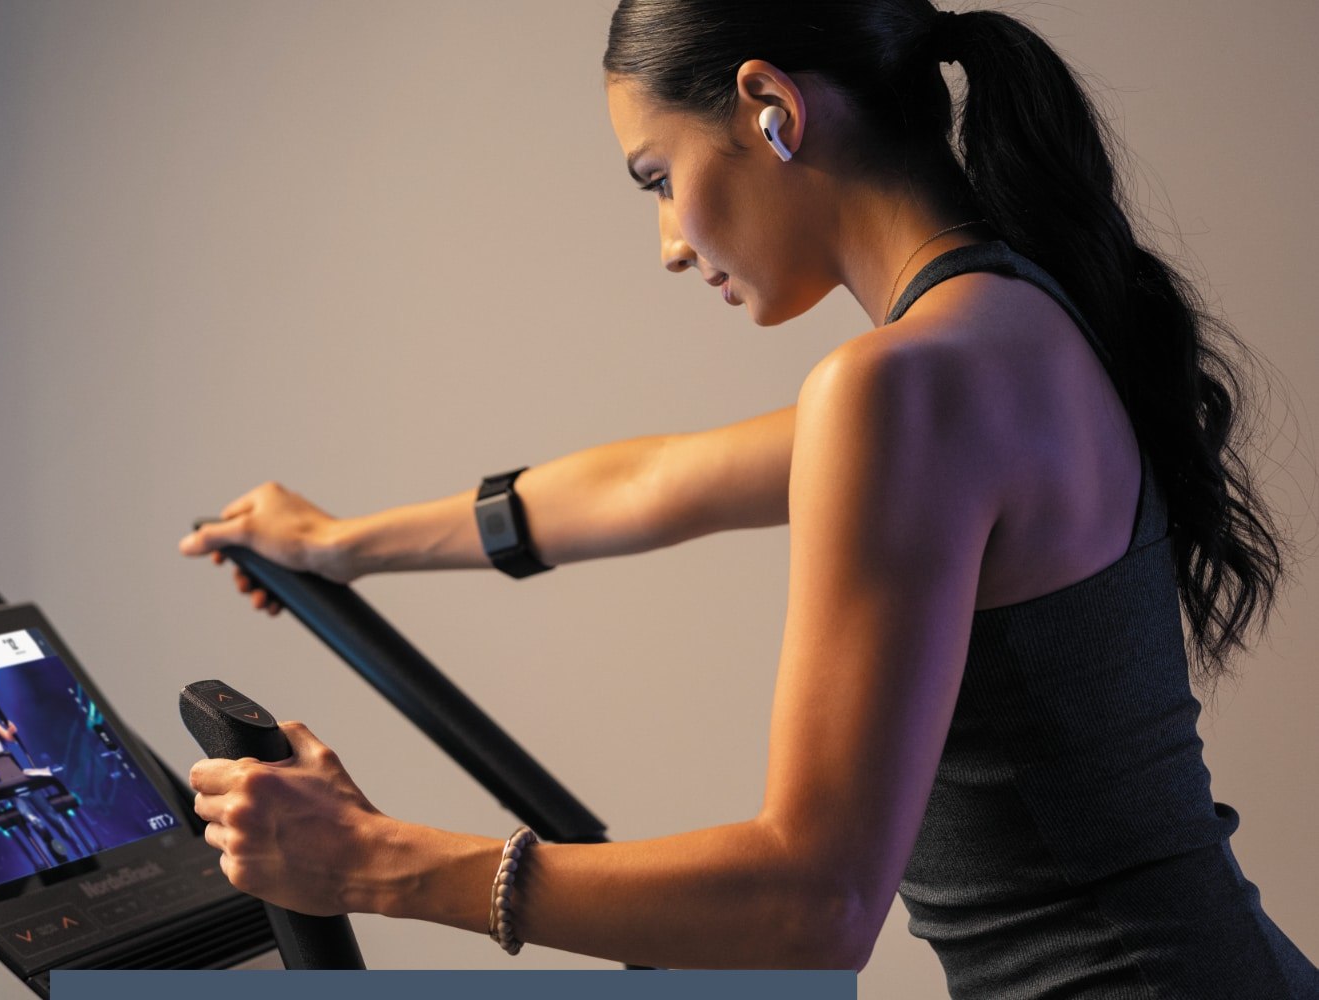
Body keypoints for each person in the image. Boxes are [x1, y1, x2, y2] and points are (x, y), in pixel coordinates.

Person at [178, 1, 1317, 991]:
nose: (669, 245)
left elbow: (813, 904)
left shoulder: (902, 386)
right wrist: (339, 541)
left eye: (659, 180)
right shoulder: (1008, 324)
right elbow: (651, 483)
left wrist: (373, 863)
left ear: (770, 106)